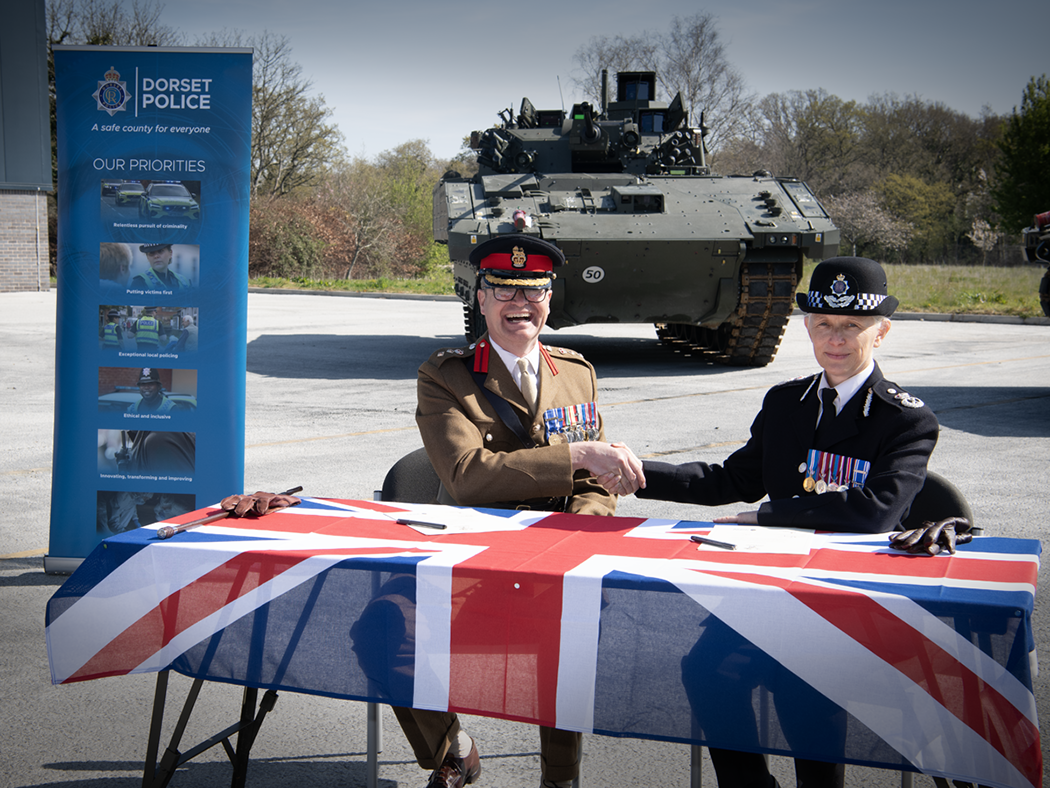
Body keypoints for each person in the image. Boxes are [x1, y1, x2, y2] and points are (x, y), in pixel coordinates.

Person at [221, 235, 644, 788]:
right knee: (379, 628)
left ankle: (560, 779)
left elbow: (595, 483)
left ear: (550, 295)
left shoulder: (576, 372)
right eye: (504, 291)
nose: (522, 303)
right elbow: (467, 477)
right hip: (468, 556)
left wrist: (582, 530)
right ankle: (453, 750)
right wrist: (576, 454)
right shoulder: (445, 376)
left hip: (554, 555)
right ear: (482, 298)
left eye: (535, 290)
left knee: (565, 630)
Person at [605, 256, 939, 788]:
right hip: (776, 585)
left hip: (849, 596)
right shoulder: (787, 404)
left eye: (852, 325)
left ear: (881, 332)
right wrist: (635, 473)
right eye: (825, 324)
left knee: (803, 683)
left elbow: (877, 510)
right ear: (808, 327)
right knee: (705, 671)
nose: (836, 339)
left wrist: (768, 516)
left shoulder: (906, 419)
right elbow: (727, 482)